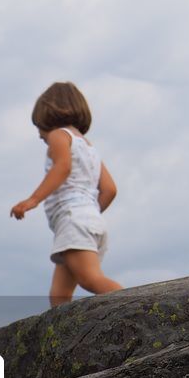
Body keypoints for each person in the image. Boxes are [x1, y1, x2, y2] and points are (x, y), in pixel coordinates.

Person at [10, 80, 122, 306]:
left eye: (38, 128)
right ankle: (63, 340)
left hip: (74, 220)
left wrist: (33, 200)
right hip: (89, 221)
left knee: (91, 280)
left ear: (48, 115)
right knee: (59, 295)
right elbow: (110, 190)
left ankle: (142, 306)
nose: (40, 136)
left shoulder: (58, 135)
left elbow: (63, 167)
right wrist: (90, 212)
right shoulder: (88, 146)